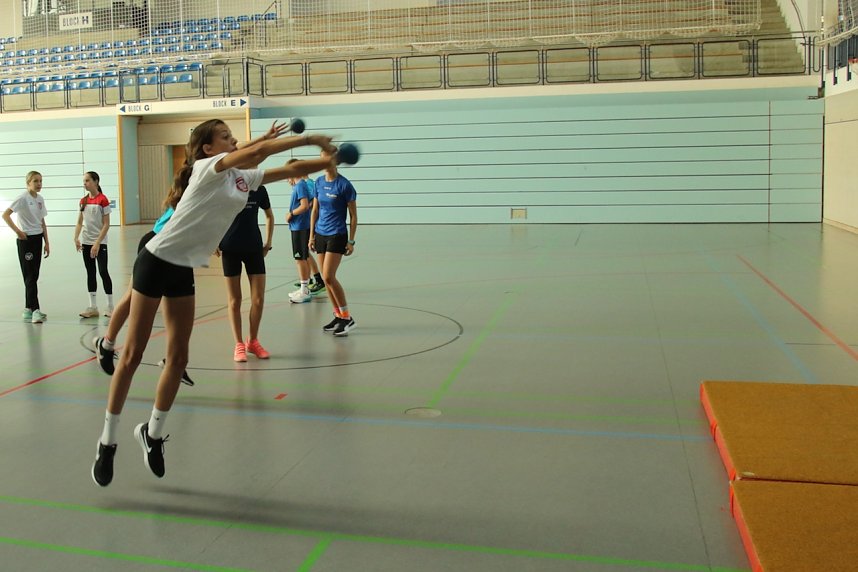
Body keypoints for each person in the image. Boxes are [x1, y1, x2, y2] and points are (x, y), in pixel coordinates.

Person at [91, 118, 343, 487]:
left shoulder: (242, 179)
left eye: (232, 136)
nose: (233, 140)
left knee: (178, 359)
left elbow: (288, 170)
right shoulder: (207, 168)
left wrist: (328, 161)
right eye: (225, 137)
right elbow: (257, 151)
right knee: (131, 355)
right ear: (208, 148)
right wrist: (309, 138)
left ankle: (153, 434)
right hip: (156, 259)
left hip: (183, 269)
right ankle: (107, 440)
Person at [93, 186, 194, 386]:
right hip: (155, 244)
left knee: (177, 310)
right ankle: (106, 344)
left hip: (175, 248)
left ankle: (173, 361)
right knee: (132, 298)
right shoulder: (197, 185)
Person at [215, 181, 275, 362]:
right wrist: (213, 241)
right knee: (235, 300)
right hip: (230, 248)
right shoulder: (225, 187)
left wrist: (268, 242)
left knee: (258, 299)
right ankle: (239, 344)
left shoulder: (260, 189)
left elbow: (269, 216)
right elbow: (214, 216)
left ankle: (253, 341)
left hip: (254, 248)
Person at [309, 147, 358, 337]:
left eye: (326, 159)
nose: (323, 162)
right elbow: (315, 210)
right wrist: (311, 235)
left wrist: (352, 241)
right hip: (320, 233)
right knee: (325, 279)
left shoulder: (344, 185)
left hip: (337, 234)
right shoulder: (319, 182)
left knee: (329, 276)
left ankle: (347, 317)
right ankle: (338, 315)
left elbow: (353, 216)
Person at [3, 171, 50, 324]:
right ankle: (35, 309)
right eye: (35, 181)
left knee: (33, 275)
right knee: (29, 276)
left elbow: (42, 221)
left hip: (38, 239)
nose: (39, 184)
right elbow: (5, 215)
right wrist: (18, 231)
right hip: (26, 240)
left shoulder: (40, 199)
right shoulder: (22, 198)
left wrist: (47, 242)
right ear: (28, 182)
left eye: (41, 181)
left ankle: (28, 309)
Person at [74, 171, 114, 318]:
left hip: (100, 242)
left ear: (96, 182)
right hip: (86, 242)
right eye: (84, 181)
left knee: (103, 271)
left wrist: (97, 243)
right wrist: (76, 238)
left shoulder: (103, 200)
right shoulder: (83, 201)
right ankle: (93, 307)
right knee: (90, 273)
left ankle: (110, 306)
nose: (85, 183)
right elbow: (79, 222)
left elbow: (106, 224)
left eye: (87, 181)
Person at [285, 161, 320, 304]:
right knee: (303, 257)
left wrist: (291, 214)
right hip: (299, 226)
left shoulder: (300, 185)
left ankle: (304, 290)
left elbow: (305, 206)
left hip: (299, 226)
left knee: (300, 259)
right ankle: (304, 288)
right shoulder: (300, 185)